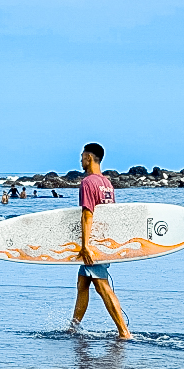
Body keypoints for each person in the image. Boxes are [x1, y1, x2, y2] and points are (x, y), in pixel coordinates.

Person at [69, 142, 131, 340]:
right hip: (105, 239)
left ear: (89, 157)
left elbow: (88, 214)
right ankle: (73, 327)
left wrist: (85, 246)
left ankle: (124, 332)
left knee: (102, 285)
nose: (80, 159)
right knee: (83, 283)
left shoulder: (88, 182)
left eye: (82, 156)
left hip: (93, 243)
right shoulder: (106, 183)